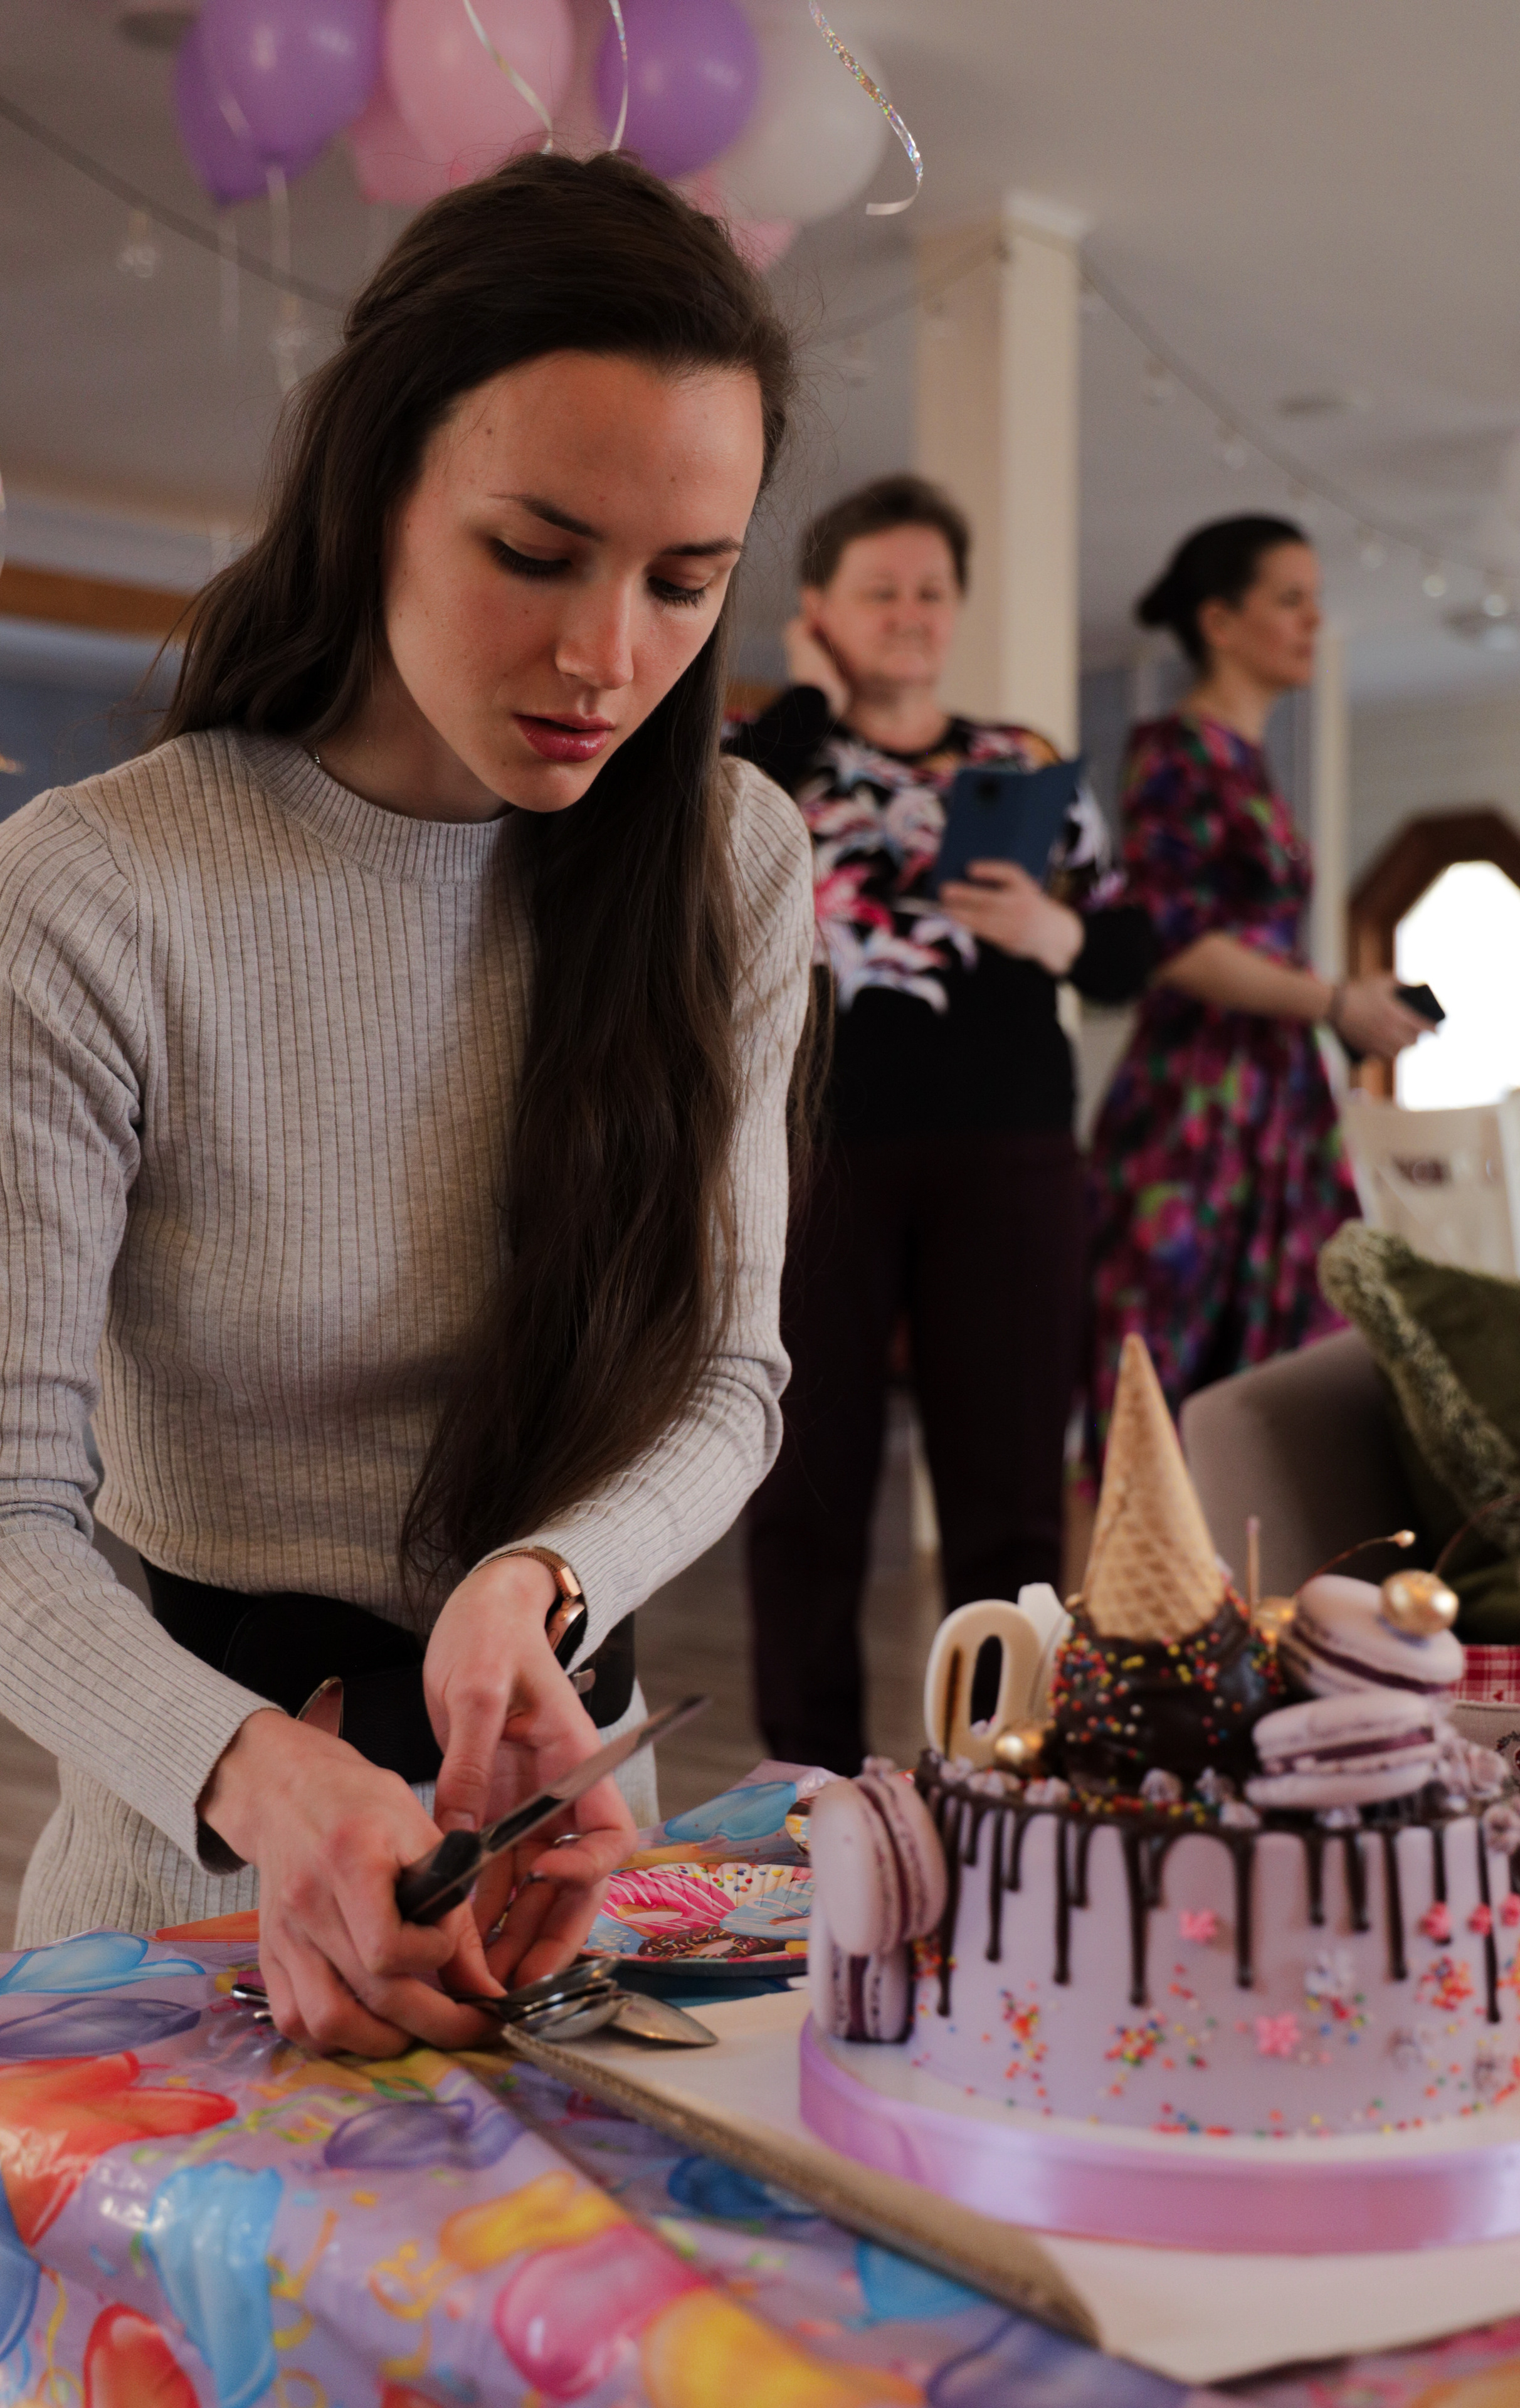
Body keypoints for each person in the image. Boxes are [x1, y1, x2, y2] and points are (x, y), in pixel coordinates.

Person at [0, 154, 814, 2056]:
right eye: (536, 554)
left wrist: (537, 1589)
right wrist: (264, 1781)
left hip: (564, 1887)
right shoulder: (104, 892)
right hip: (188, 1908)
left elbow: (728, 1380)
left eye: (685, 583)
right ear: (374, 495)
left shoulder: (728, 861)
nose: (610, 657)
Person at [727, 474, 1154, 1773]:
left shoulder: (1018, 762)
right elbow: (700, 858)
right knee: (804, 1485)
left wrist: (1056, 931)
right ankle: (803, 1786)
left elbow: (1130, 946)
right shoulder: (772, 762)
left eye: (929, 591)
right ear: (818, 611)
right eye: (879, 591)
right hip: (817, 1153)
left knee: (1011, 1482)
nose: (909, 615)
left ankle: (1000, 1771)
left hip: (1009, 1149)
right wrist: (802, 695)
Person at [1087, 515, 1429, 1439]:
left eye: (1316, 601)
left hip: (1277, 1097)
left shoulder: (1249, 762)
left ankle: (1260, 1577)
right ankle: (1131, 1583)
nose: (1314, 621)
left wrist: (1350, 1002)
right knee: (1159, 1369)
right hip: (1199, 1100)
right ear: (1221, 622)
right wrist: (1333, 1002)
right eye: (1291, 600)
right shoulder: (1175, 749)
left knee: (1288, 1370)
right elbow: (1178, 937)